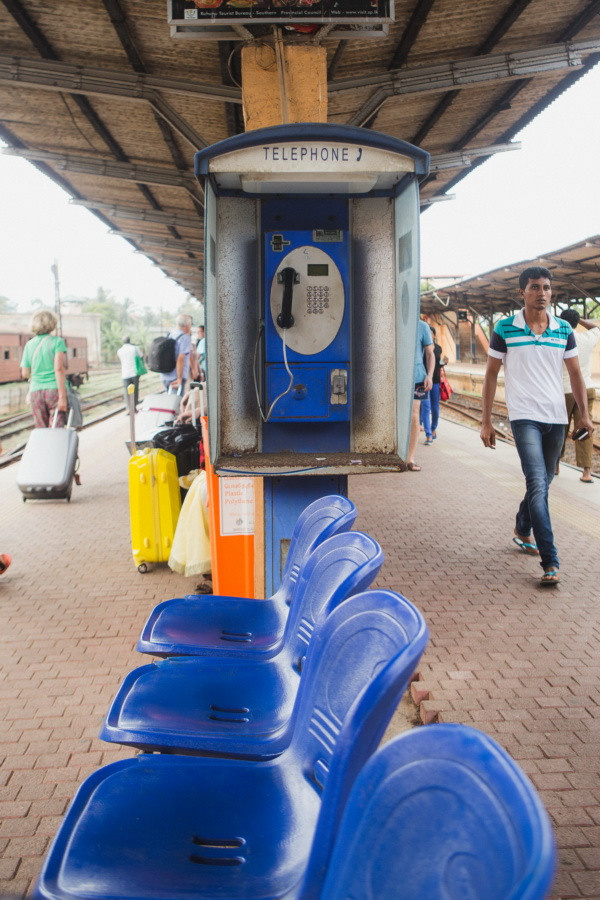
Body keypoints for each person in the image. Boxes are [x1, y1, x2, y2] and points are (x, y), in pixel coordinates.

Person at [480, 266, 594, 586]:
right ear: (522, 293)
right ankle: (551, 560)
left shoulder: (563, 330)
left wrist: (583, 415)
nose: (541, 293)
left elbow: (575, 375)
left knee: (547, 478)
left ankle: (521, 526)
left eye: (546, 287)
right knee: (538, 483)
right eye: (534, 287)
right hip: (523, 416)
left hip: (556, 417)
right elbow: (490, 374)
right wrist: (486, 420)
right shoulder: (505, 328)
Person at [557, 308, 599, 483]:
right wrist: (579, 320)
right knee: (585, 428)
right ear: (577, 322)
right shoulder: (587, 338)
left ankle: (555, 465)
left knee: (560, 429)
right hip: (587, 388)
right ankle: (587, 472)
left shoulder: (560, 338)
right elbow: (596, 327)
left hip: (565, 389)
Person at [20, 309, 68, 428]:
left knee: (41, 429)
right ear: (52, 323)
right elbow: (59, 369)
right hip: (54, 390)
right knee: (56, 430)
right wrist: (62, 397)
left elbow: (25, 373)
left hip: (35, 392)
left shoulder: (29, 344)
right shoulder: (57, 342)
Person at [406, 318, 435, 471]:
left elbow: (430, 354)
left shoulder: (422, 326)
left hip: (417, 377)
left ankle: (410, 458)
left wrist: (429, 376)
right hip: (396, 376)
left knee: (414, 415)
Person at [420, 325, 446, 444]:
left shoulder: (438, 348)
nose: (429, 335)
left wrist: (443, 363)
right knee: (426, 408)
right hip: (423, 381)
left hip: (435, 382)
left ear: (434, 335)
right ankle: (428, 434)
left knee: (435, 409)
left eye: (431, 333)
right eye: (427, 333)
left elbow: (436, 364)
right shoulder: (421, 348)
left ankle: (433, 427)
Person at [162, 314, 193, 393]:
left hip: (165, 375)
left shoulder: (171, 334)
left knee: (169, 403)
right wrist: (179, 378)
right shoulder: (185, 337)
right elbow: (180, 358)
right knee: (176, 403)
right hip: (176, 377)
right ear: (187, 325)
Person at [117, 336, 143, 412]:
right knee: (135, 391)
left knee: (127, 391)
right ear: (129, 340)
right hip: (135, 372)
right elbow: (141, 356)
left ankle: (129, 408)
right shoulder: (135, 348)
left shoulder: (120, 350)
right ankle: (134, 407)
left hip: (125, 374)